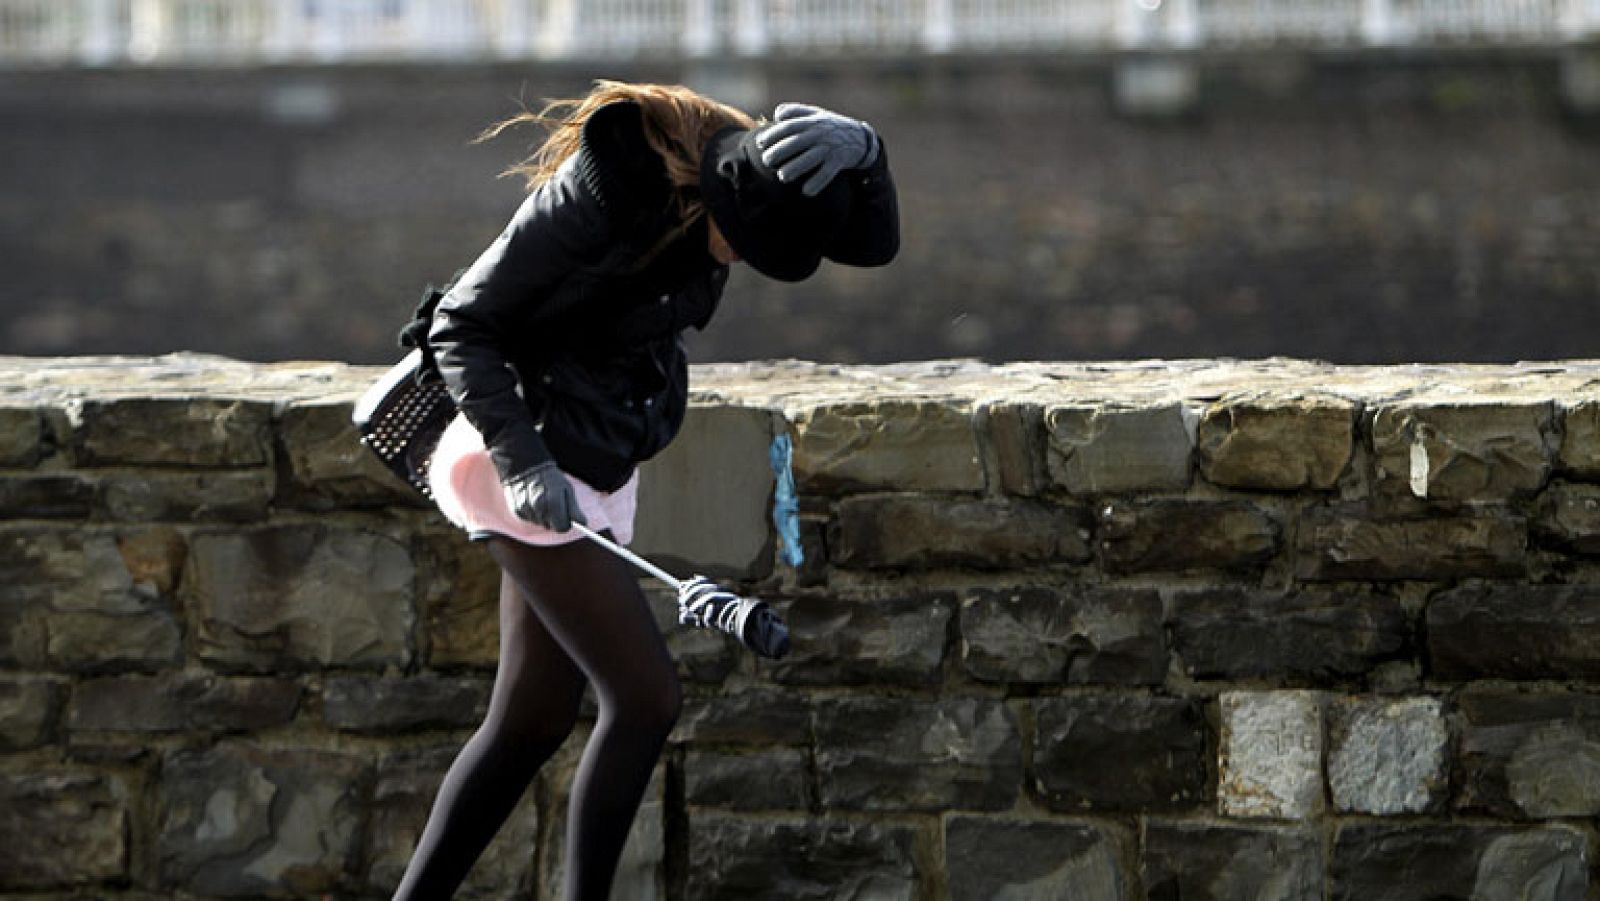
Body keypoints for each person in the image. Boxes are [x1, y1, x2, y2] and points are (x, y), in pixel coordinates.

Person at [390, 80, 899, 900]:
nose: (742, 259)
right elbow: (461, 323)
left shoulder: (746, 191)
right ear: (723, 197)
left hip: (594, 459)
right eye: (745, 242)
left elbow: (873, 247)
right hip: (520, 450)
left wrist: (868, 153)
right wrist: (524, 461)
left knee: (530, 721)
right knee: (645, 697)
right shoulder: (604, 192)